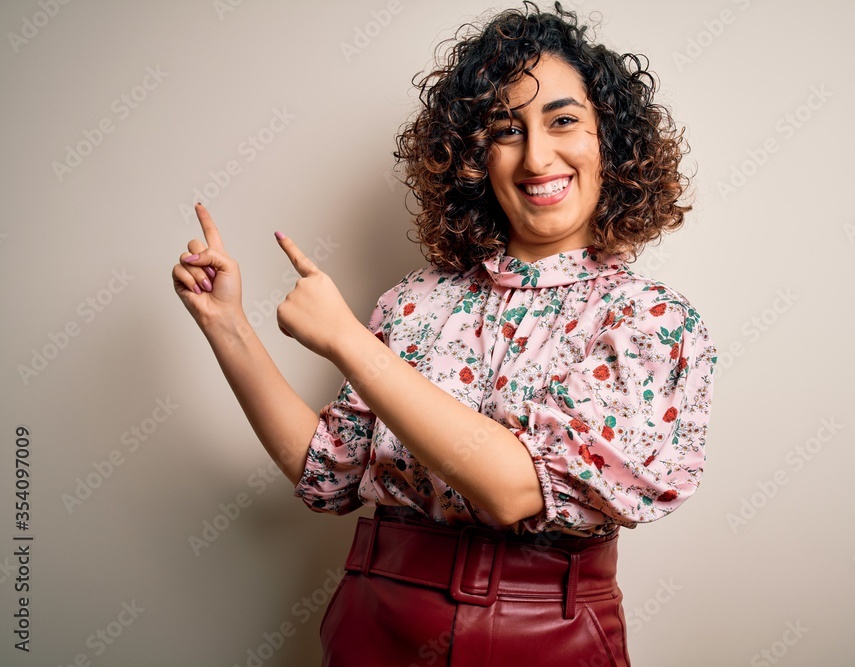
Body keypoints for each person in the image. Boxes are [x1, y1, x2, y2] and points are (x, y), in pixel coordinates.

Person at [172, 2, 717, 665]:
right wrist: (226, 323)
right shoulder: (414, 303)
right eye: (506, 129)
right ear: (475, 156)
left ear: (612, 140)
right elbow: (328, 472)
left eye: (564, 120)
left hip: (545, 630)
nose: (537, 155)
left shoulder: (648, 320)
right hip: (376, 614)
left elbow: (516, 486)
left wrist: (347, 340)